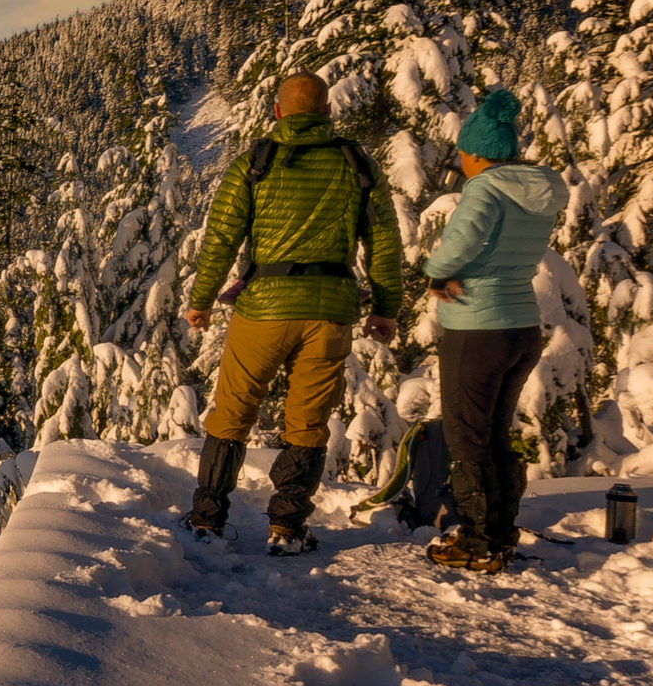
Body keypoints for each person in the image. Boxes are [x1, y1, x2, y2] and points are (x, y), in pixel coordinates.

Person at [179, 72, 404, 554]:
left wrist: (201, 300)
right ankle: (286, 527)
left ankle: (207, 520)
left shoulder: (254, 162)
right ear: (326, 113)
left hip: (263, 309)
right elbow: (384, 240)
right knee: (307, 423)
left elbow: (221, 238)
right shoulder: (356, 162)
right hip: (329, 311)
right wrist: (386, 309)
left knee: (232, 415)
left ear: (278, 112)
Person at [420, 88, 564, 572]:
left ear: (478, 153)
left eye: (463, 153)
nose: (459, 162)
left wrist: (436, 270)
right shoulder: (536, 192)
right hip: (520, 324)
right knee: (495, 436)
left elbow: (460, 241)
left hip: (478, 327)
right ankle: (499, 533)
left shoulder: (486, 188)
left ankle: (478, 539)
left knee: (467, 438)